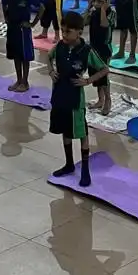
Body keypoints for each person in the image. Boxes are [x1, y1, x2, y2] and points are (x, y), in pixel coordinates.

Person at [48, 11, 109, 187]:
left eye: (68, 31)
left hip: (76, 99)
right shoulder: (59, 46)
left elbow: (104, 69)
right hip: (59, 95)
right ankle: (69, 164)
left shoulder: (86, 51)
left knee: (82, 133)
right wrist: (51, 71)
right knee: (65, 131)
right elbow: (49, 57)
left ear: (79, 32)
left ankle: (85, 171)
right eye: (63, 31)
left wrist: (88, 80)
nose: (64, 34)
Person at [1, 0, 42, 93]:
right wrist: (6, 17)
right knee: (16, 55)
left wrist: (33, 23)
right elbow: (4, 3)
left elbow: (41, 7)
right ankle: (18, 80)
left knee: (24, 56)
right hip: (12, 27)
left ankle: (25, 81)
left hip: (23, 29)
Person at [86, 0, 115, 115]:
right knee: (95, 75)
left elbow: (104, 24)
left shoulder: (111, 13)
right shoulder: (94, 12)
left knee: (103, 76)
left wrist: (103, 9)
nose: (96, 4)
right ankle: (100, 99)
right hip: (93, 47)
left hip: (104, 49)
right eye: (94, 1)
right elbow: (83, 22)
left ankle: (108, 100)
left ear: (107, 2)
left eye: (100, 1)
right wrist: (88, 8)